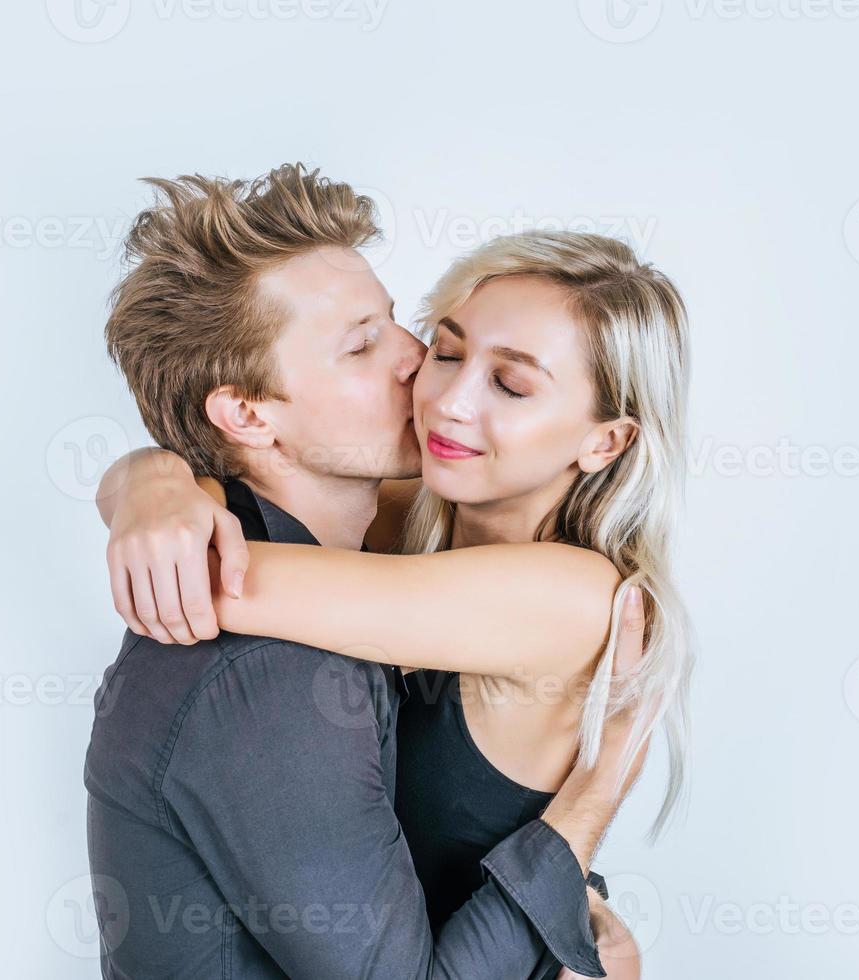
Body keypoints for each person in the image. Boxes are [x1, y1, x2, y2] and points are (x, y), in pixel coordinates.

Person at [85, 165, 658, 979]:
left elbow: (226, 570)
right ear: (246, 414)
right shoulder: (277, 659)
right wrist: (151, 482)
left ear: (607, 440)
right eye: (364, 344)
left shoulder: (545, 583)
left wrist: (152, 483)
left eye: (395, 324)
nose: (424, 371)